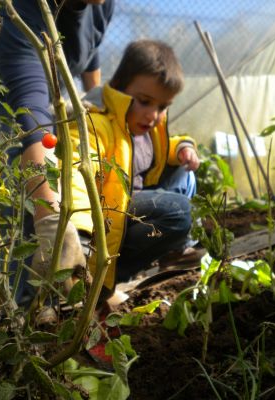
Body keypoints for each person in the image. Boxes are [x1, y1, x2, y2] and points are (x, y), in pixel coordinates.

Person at [0, 0, 115, 301]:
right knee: (22, 191)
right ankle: (18, 309)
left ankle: (90, 289)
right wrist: (50, 220)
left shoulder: (103, 4)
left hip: (47, 99)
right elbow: (32, 118)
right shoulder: (17, 10)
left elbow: (89, 48)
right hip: (8, 102)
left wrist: (92, 106)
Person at [69, 39, 200, 300]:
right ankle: (104, 282)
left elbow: (161, 150)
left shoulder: (145, 126)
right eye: (144, 101)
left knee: (185, 173)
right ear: (119, 88)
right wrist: (81, 234)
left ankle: (175, 251)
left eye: (162, 107)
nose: (153, 115)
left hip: (130, 204)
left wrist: (182, 148)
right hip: (106, 221)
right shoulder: (96, 124)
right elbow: (75, 174)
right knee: (179, 211)